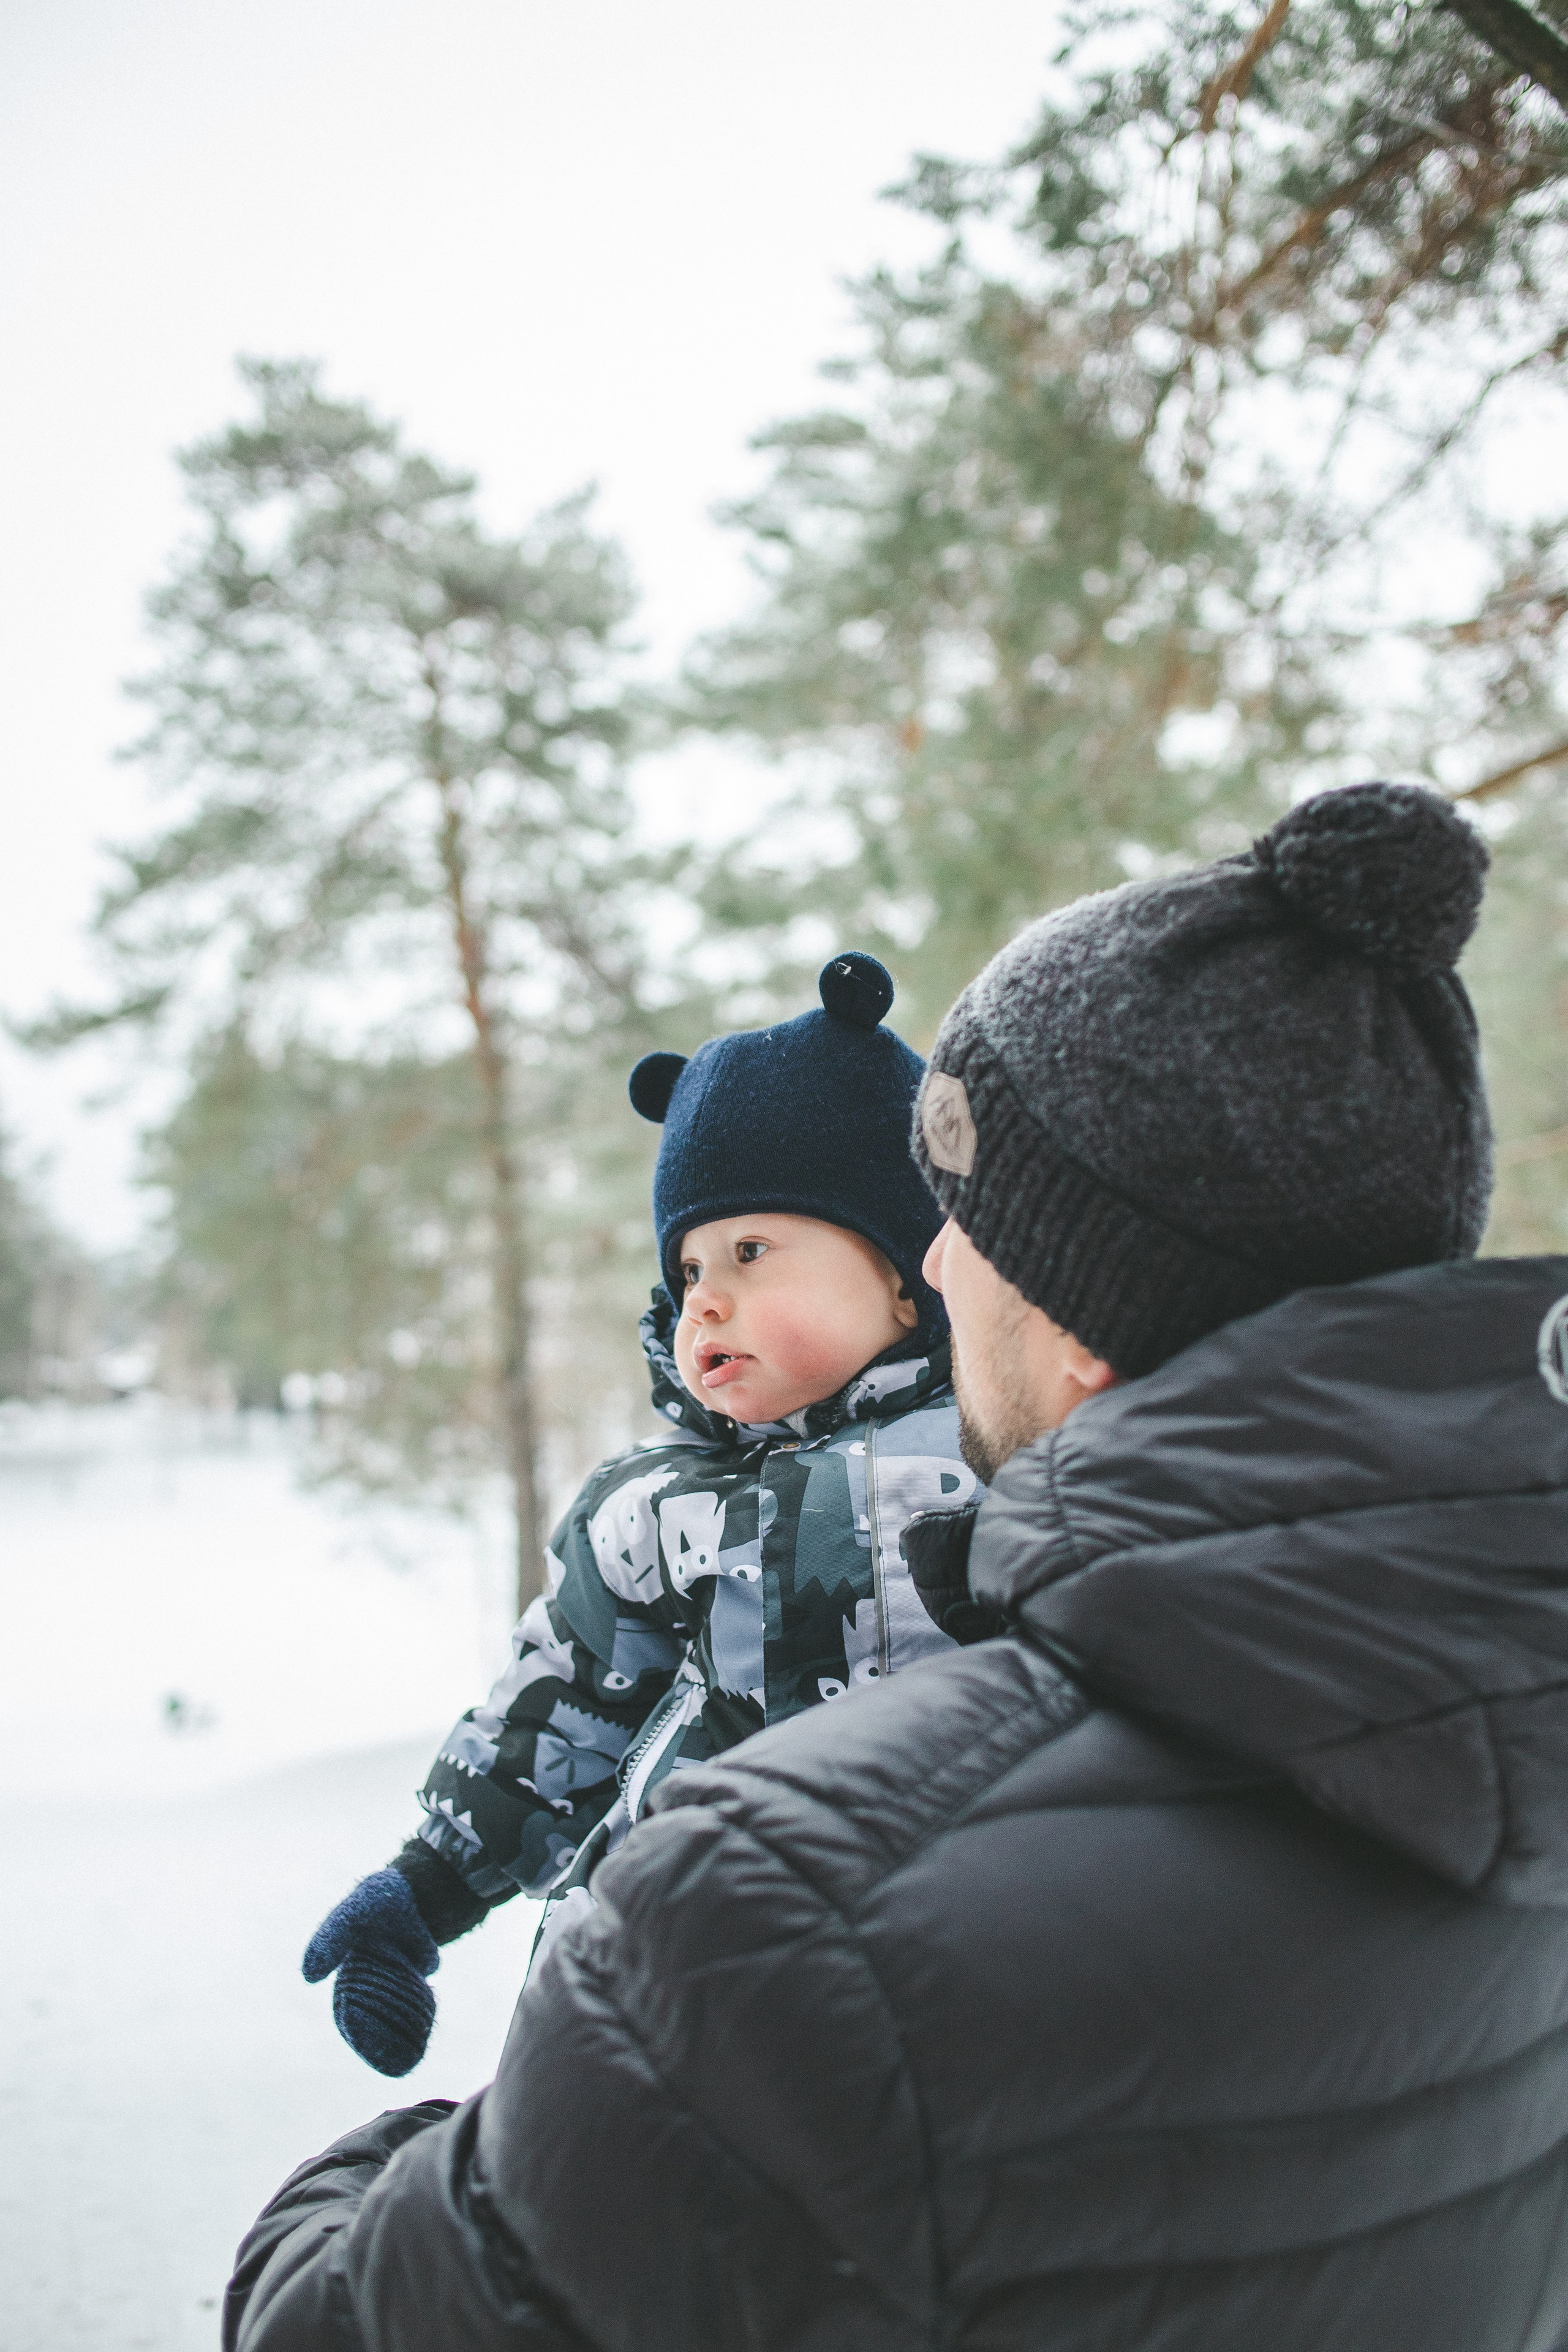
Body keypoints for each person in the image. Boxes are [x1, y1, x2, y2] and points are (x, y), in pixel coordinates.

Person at [228, 782, 1568, 2352]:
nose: (937, 1261)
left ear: (1082, 1320)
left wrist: (456, 2149)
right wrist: (433, 1883)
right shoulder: (1499, 1733)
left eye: (964, 1221)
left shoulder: (768, 1923)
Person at [301, 951, 975, 2076]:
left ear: (909, 1276)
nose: (704, 1300)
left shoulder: (1010, 1450)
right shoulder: (657, 1507)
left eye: (751, 1253)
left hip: (955, 1978)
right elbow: (563, 1704)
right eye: (690, 1269)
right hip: (675, 1993)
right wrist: (420, 1892)